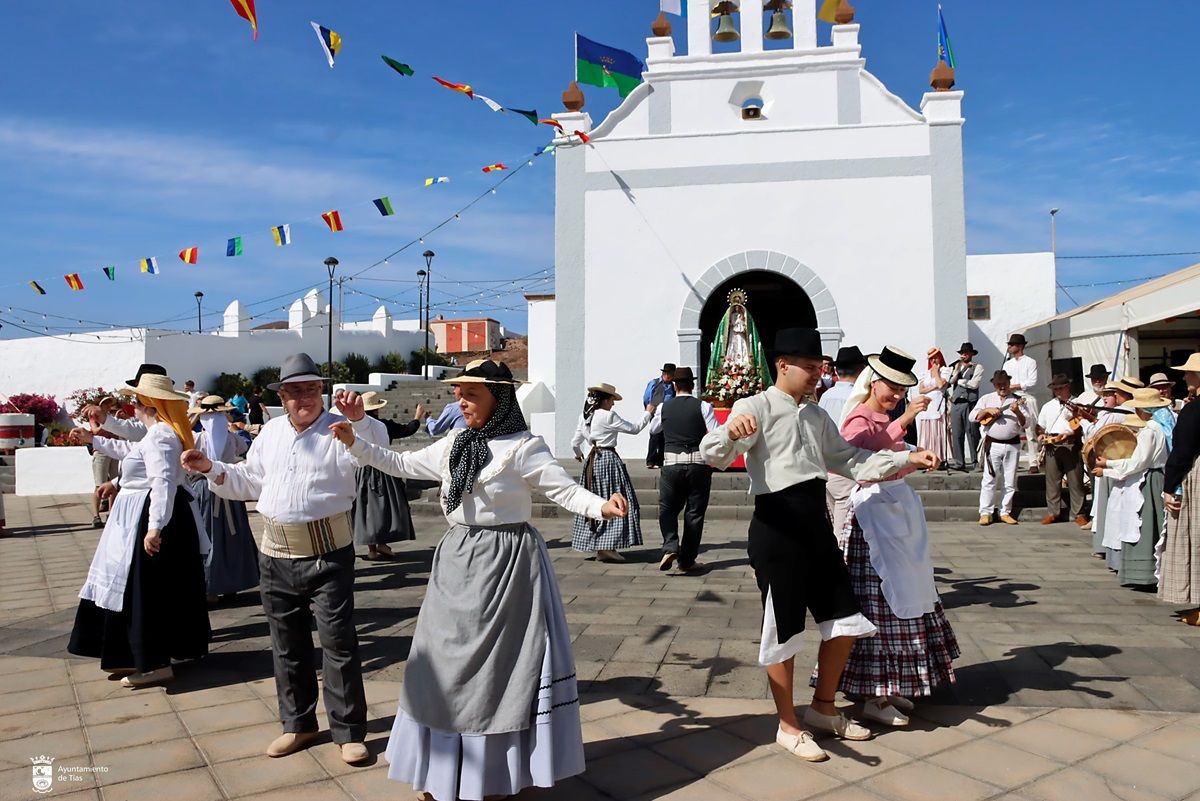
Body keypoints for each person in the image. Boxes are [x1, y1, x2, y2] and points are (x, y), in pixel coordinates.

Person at [328, 358, 628, 801]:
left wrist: (601, 506)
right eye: (459, 391)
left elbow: (562, 488)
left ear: (499, 398)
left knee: (498, 674)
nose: (460, 400)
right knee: (442, 667)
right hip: (456, 560)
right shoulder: (454, 441)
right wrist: (356, 442)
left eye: (471, 393)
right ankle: (440, 771)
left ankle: (492, 776)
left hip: (506, 564)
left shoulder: (523, 446)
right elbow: (401, 463)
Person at [699, 328, 939, 763]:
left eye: (819, 367)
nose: (817, 374)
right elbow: (713, 453)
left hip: (815, 523)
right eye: (809, 368)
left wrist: (907, 458)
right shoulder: (752, 406)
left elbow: (852, 460)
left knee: (845, 617)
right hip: (776, 525)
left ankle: (823, 708)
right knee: (784, 627)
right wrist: (731, 432)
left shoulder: (816, 416)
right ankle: (788, 725)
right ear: (783, 365)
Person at [180, 353, 375, 765]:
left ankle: (348, 731)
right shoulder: (269, 433)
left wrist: (359, 424)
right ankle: (298, 724)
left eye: (310, 389)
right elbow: (249, 480)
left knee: (338, 643)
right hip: (275, 554)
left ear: (320, 392)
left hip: (328, 554)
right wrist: (211, 468)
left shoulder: (340, 429)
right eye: (294, 390)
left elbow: (373, 452)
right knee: (287, 646)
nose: (303, 397)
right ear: (281, 396)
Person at [815, 347, 958, 727]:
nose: (896, 394)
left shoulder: (880, 415)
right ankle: (874, 693)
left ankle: (889, 686)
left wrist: (910, 447)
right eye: (891, 387)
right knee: (878, 601)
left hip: (893, 514)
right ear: (872, 381)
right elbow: (856, 458)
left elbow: (886, 451)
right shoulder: (859, 417)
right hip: (872, 519)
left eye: (900, 389)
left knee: (901, 595)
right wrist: (904, 437)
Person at [67, 371, 210, 688]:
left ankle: (154, 662)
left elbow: (162, 482)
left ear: (148, 403)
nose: (132, 405)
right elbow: (133, 457)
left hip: (149, 518)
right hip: (137, 518)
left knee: (146, 592)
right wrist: (94, 440)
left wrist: (155, 526)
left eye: (136, 400)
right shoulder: (155, 434)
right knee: (135, 590)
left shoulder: (161, 436)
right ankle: (135, 656)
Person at [1095, 387, 1170, 589]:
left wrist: (1109, 465)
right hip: (1157, 476)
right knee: (1154, 524)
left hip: (1150, 479)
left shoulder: (1150, 430)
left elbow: (1138, 462)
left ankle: (1144, 574)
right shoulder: (1165, 424)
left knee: (1144, 524)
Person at [187, 395, 259, 601]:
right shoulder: (232, 438)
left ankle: (211, 585)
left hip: (204, 490)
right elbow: (245, 447)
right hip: (228, 489)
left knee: (209, 536)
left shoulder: (196, 438)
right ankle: (231, 581)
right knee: (229, 535)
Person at [571, 382, 653, 562]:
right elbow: (634, 428)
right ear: (605, 400)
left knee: (595, 500)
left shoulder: (585, 417)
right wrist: (649, 412)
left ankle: (601, 545)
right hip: (608, 459)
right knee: (617, 499)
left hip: (591, 462)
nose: (613, 404)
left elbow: (574, 443)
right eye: (611, 400)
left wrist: (579, 455)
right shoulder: (608, 416)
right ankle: (608, 546)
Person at [648, 366, 717, 573]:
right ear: (693, 385)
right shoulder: (704, 406)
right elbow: (715, 433)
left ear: (674, 385)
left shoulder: (664, 408)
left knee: (667, 508)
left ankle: (670, 545)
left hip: (671, 463)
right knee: (694, 513)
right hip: (698, 463)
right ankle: (687, 560)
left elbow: (653, 430)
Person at [354, 391, 422, 561]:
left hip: (362, 470)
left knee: (366, 508)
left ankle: (372, 549)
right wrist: (417, 417)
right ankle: (383, 544)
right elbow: (407, 429)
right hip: (384, 467)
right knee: (384, 508)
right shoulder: (383, 425)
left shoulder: (356, 426)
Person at [1162, 353, 1200, 621]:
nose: (1185, 377)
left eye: (1189, 373)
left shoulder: (1194, 410)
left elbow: (1182, 451)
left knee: (1195, 538)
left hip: (1196, 473)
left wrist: (1169, 485)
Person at [820, 346, 868, 542]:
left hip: (825, 464)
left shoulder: (826, 396)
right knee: (843, 528)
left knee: (832, 519)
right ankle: (838, 566)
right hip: (846, 464)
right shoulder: (857, 398)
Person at [972, 370, 1029, 526]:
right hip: (993, 444)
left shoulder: (1017, 400)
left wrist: (1017, 412)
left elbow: (1027, 423)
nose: (1002, 387)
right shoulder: (986, 399)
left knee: (1009, 480)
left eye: (1004, 384)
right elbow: (973, 417)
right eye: (999, 384)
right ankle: (985, 512)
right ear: (994, 385)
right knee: (989, 479)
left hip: (1012, 444)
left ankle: (1005, 511)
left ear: (1009, 384)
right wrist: (987, 410)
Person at [1036, 375, 1088, 526]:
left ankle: (1079, 513)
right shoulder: (1048, 406)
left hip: (1071, 443)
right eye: (1055, 389)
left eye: (1060, 388)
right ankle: (1053, 512)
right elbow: (1040, 426)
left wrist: (1073, 433)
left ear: (1068, 387)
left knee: (1076, 481)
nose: (1058, 391)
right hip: (1052, 444)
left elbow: (1083, 425)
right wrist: (1041, 435)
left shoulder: (1078, 403)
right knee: (1052, 481)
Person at [1002, 334, 1040, 471]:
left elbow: (1032, 382)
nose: (1009, 347)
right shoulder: (1007, 364)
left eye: (1012, 345)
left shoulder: (1030, 362)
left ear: (1020, 346)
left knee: (1031, 432)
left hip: (1026, 396)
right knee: (1011, 430)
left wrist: (1014, 386)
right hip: (1012, 398)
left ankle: (1033, 461)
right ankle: (1011, 460)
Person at [946, 342, 984, 472]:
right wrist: (957, 370)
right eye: (962, 353)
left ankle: (976, 461)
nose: (963, 355)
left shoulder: (977, 367)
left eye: (966, 353)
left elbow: (974, 384)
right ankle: (959, 462)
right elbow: (950, 382)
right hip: (957, 403)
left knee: (972, 432)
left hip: (969, 403)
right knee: (957, 433)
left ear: (971, 354)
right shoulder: (957, 367)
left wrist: (960, 381)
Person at [89, 396, 121, 528]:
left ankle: (111, 512)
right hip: (101, 451)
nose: (109, 406)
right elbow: (95, 430)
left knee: (113, 484)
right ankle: (96, 516)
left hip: (113, 449)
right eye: (106, 404)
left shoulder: (112, 417)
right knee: (99, 484)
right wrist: (108, 423)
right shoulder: (95, 416)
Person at [915, 348, 952, 462]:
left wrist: (936, 373)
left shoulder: (944, 371)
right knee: (927, 431)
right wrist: (933, 387)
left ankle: (941, 456)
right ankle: (926, 457)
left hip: (938, 402)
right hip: (927, 404)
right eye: (931, 359)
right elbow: (921, 390)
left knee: (938, 431)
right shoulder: (925, 374)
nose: (934, 361)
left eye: (936, 357)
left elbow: (941, 385)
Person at [643, 363, 676, 468]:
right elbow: (647, 397)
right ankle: (650, 461)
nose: (669, 377)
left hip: (667, 413)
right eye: (667, 374)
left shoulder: (673, 386)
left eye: (671, 375)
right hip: (655, 412)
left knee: (664, 437)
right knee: (654, 436)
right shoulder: (654, 383)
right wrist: (649, 410)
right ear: (664, 373)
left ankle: (660, 461)